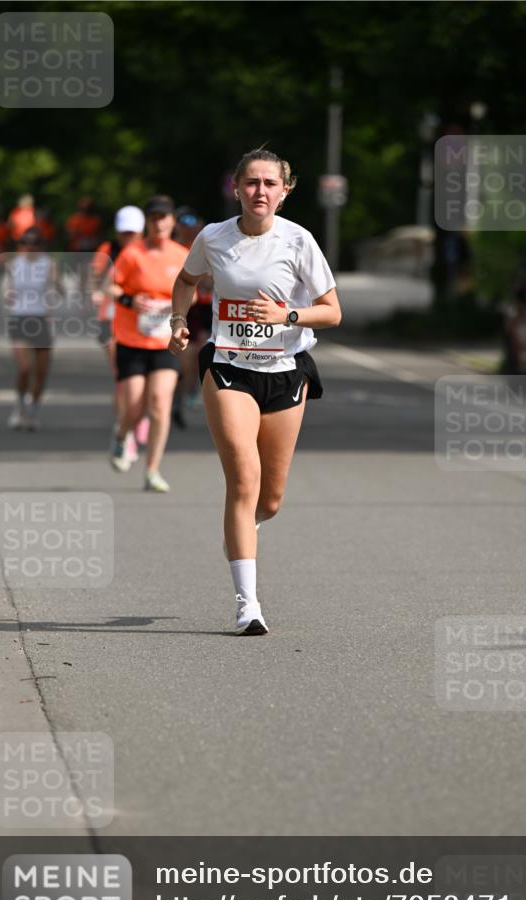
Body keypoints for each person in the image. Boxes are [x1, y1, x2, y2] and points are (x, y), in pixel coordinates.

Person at [169, 148, 341, 634]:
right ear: (236, 189)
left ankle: (243, 529)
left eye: (270, 183)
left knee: (269, 500)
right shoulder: (214, 237)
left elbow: (332, 312)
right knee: (243, 481)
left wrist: (286, 315)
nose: (259, 191)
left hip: (286, 370)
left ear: (285, 192)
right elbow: (186, 281)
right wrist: (178, 320)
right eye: (251, 183)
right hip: (229, 368)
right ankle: (248, 606)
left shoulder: (299, 241)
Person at [109, 195, 189, 492]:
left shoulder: (181, 254)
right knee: (133, 406)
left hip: (166, 341)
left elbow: (193, 286)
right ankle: (121, 436)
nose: (159, 222)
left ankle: (152, 469)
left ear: (171, 221)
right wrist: (131, 299)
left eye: (164, 217)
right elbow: (110, 285)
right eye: (153, 217)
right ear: (147, 222)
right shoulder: (133, 253)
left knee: (159, 404)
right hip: (132, 338)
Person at [90, 205, 146, 461]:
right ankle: (126, 429)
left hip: (142, 323)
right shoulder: (107, 251)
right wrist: (97, 290)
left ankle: (136, 417)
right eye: (124, 233)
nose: (128, 238)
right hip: (110, 319)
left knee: (143, 379)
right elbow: (93, 277)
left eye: (133, 233)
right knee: (123, 377)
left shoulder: (147, 252)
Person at [2, 226, 57, 430]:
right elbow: (7, 289)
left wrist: (56, 285)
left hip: (42, 319)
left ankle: (33, 408)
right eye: (26, 242)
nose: (30, 246)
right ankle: (19, 407)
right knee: (25, 368)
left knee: (41, 372)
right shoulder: (13, 264)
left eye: (35, 243)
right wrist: (7, 295)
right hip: (20, 318)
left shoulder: (49, 264)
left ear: (41, 245)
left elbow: (58, 291)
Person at [171, 206, 212, 426]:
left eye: (193, 224)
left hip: (203, 308)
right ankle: (177, 397)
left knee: (200, 351)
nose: (189, 229)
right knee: (183, 356)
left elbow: (209, 280)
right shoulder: (171, 248)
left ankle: (190, 391)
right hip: (178, 307)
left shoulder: (204, 245)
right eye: (183, 224)